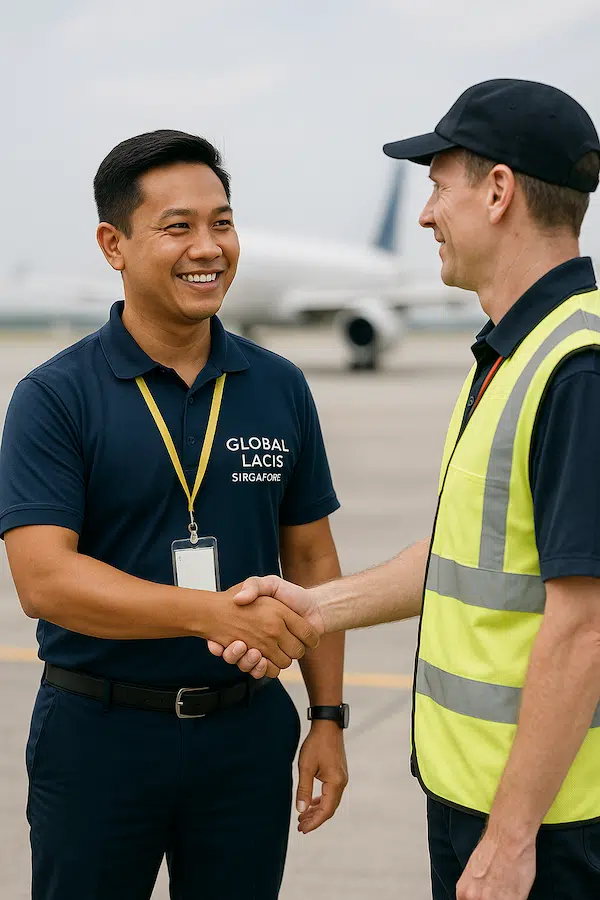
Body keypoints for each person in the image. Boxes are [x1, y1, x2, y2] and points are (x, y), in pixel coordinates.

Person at [213, 80, 600, 898]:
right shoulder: (512, 356)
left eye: (438, 185)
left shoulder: (577, 371)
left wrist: (511, 835)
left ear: (498, 192)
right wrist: (317, 607)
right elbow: (466, 553)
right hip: (481, 801)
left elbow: (586, 622)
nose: (426, 215)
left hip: (546, 827)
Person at [0, 130, 348, 900]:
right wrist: (212, 615)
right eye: (178, 226)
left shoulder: (278, 385)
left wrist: (327, 715)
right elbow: (44, 581)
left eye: (222, 222)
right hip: (100, 732)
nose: (209, 248)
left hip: (247, 734)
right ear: (113, 244)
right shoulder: (55, 397)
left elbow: (314, 561)